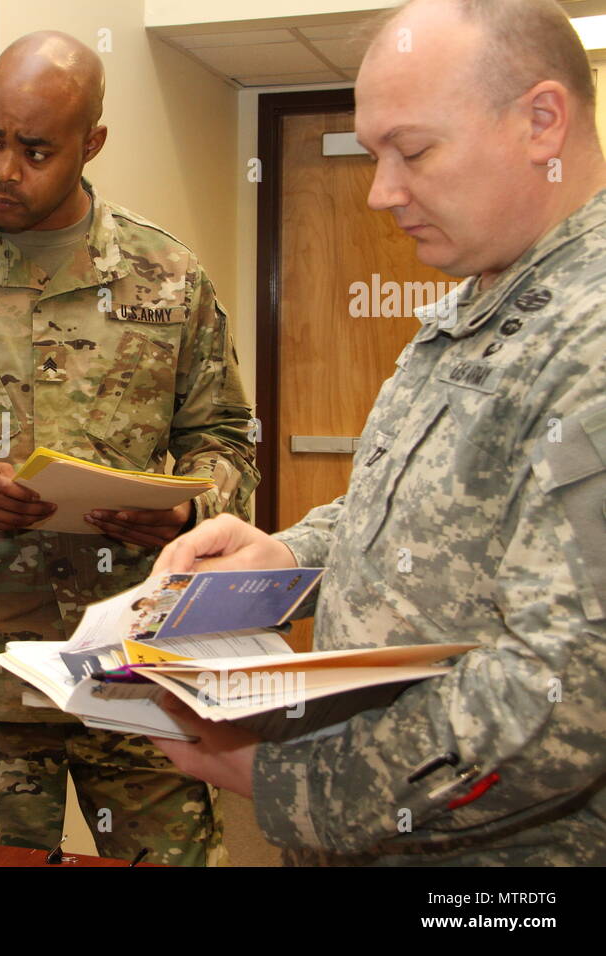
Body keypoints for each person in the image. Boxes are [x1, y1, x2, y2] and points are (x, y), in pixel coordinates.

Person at [147, 0, 606, 865]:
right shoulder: (477, 305)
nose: (382, 192)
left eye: (415, 151)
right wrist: (287, 558)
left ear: (543, 121)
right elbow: (416, 522)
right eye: (373, 154)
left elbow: (563, 694)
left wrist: (283, 781)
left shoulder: (593, 336)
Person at [0, 32, 258, 864]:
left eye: (34, 150)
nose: (2, 169)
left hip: (138, 670)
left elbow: (228, 448)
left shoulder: (168, 276)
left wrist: (185, 508)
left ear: (90, 145)